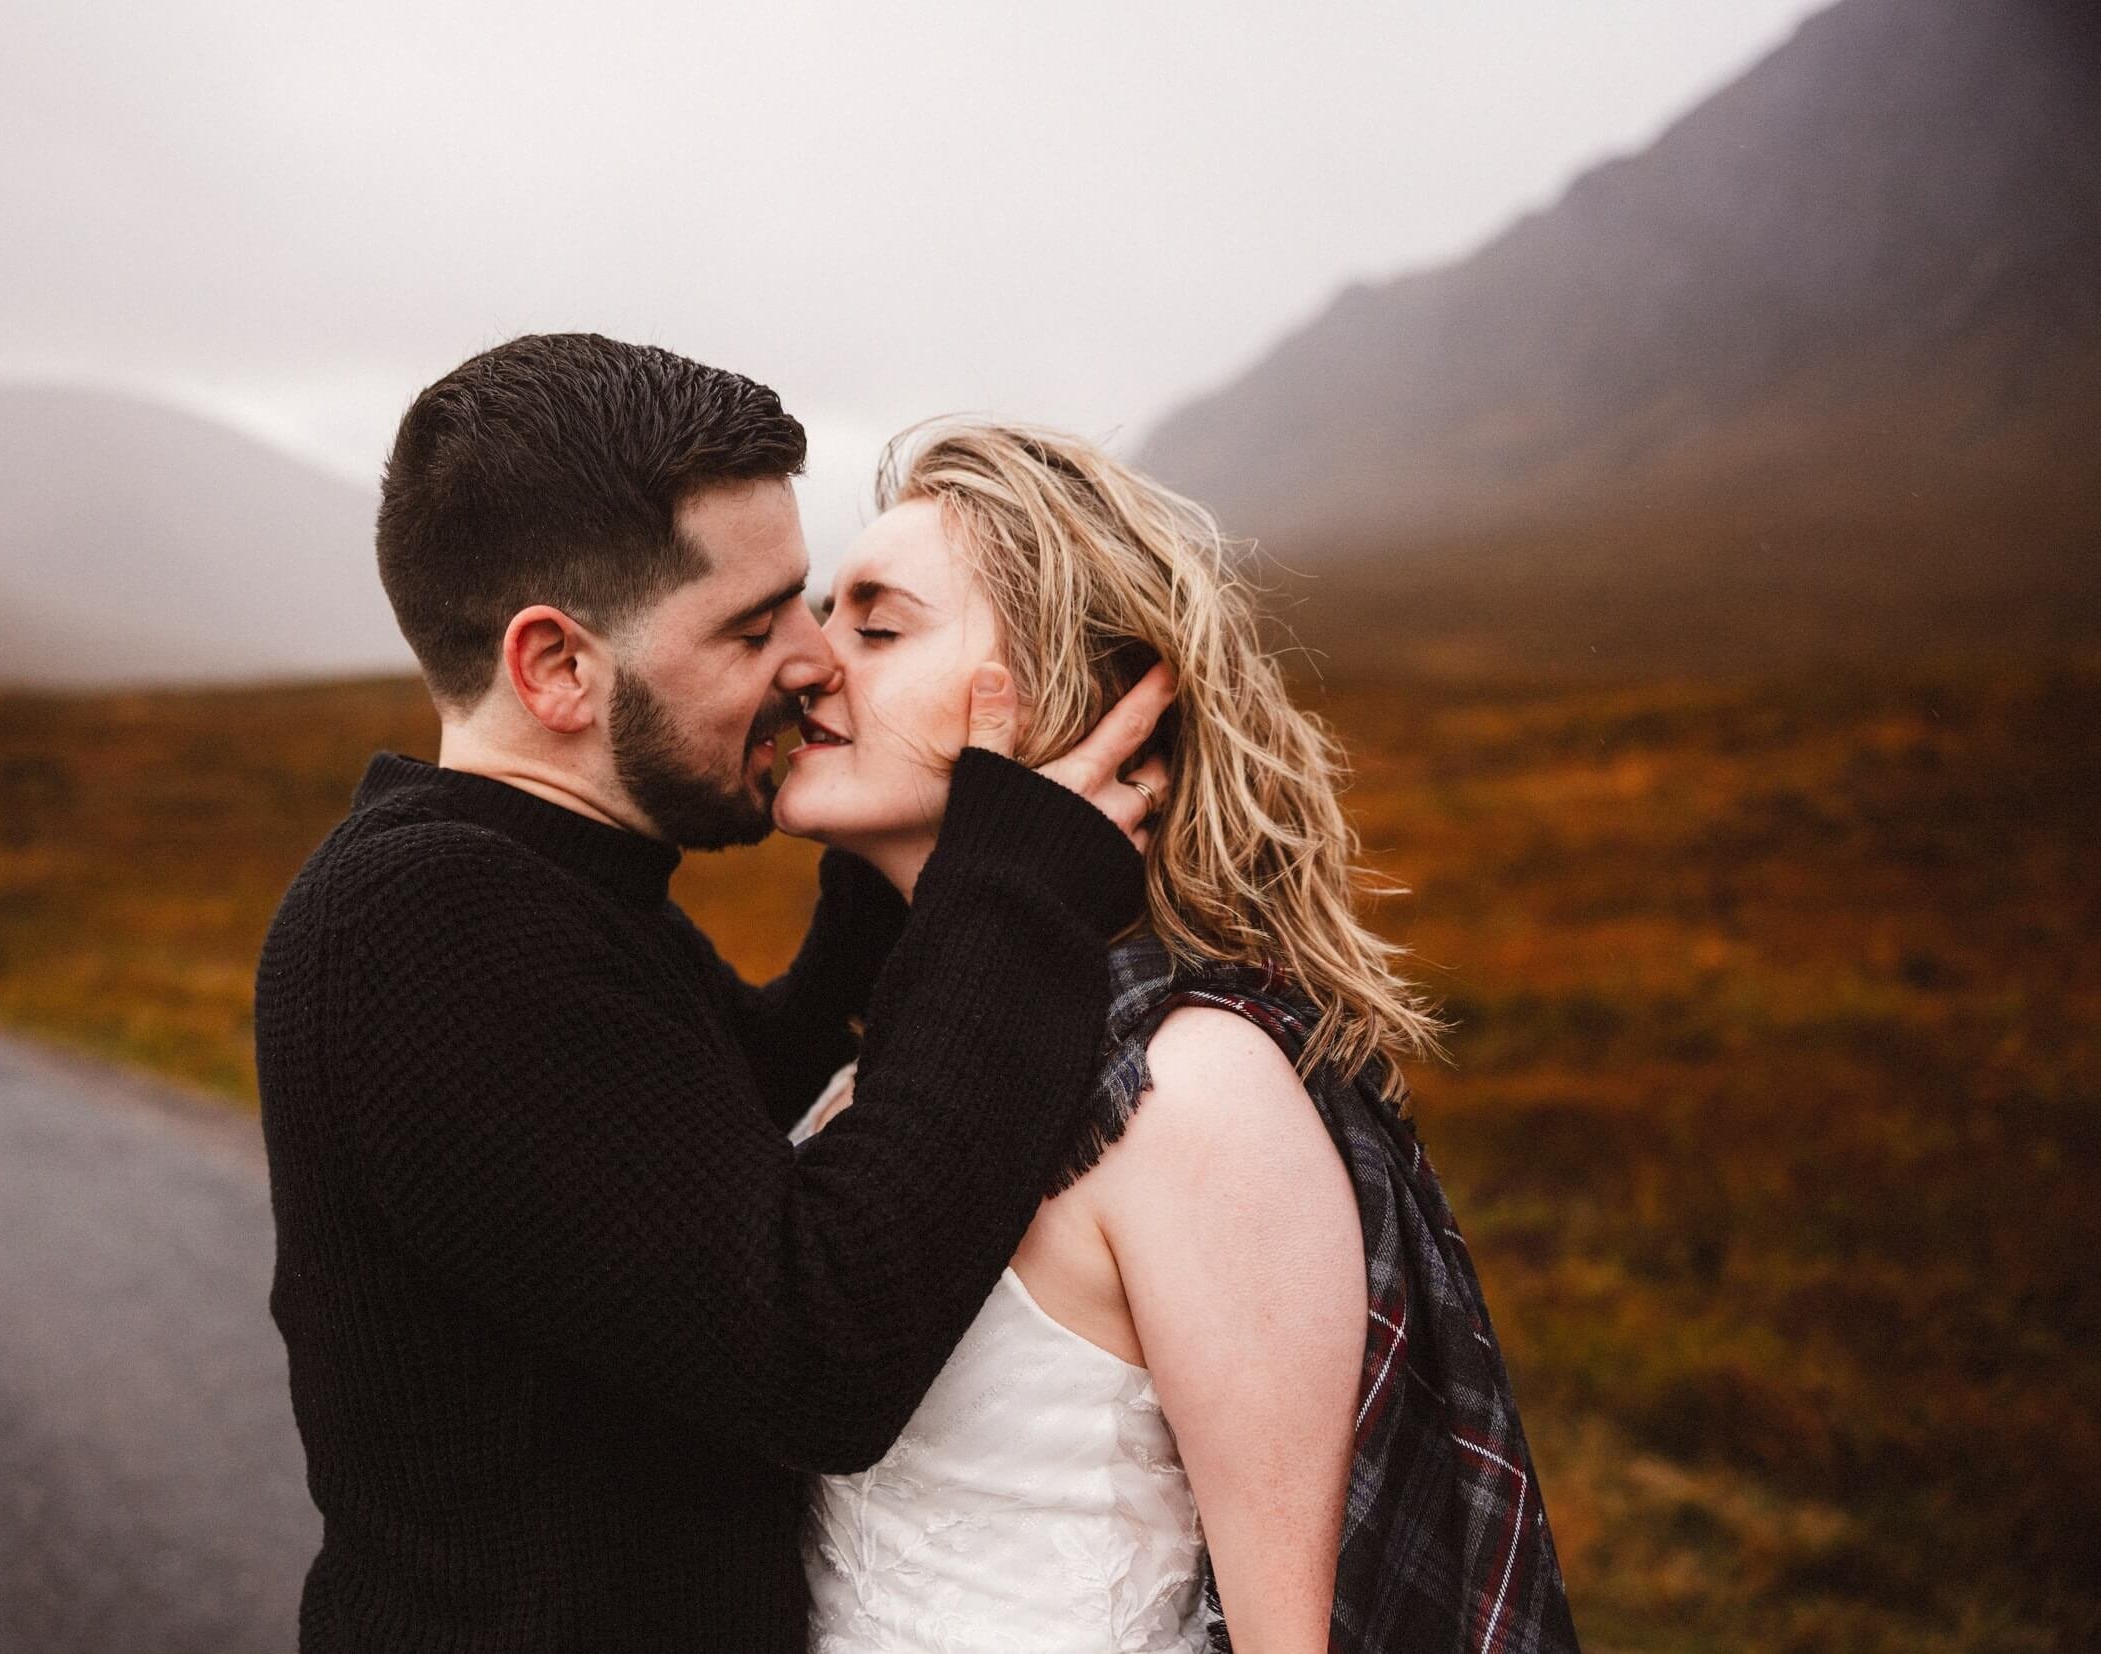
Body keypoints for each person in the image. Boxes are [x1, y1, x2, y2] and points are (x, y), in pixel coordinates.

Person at [251, 337, 1174, 1652]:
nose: (814, 660)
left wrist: (905, 844)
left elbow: (736, 1115)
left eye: (807, 601)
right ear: (557, 667)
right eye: (754, 625)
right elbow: (816, 1350)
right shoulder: (431, 922)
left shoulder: (542, 887)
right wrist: (1010, 894)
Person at [777, 420, 1580, 1653]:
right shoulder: (878, 1055)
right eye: (823, 614)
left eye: (877, 627)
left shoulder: (1189, 1091)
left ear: (1079, 691)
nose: (806, 663)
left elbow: (1296, 1634)